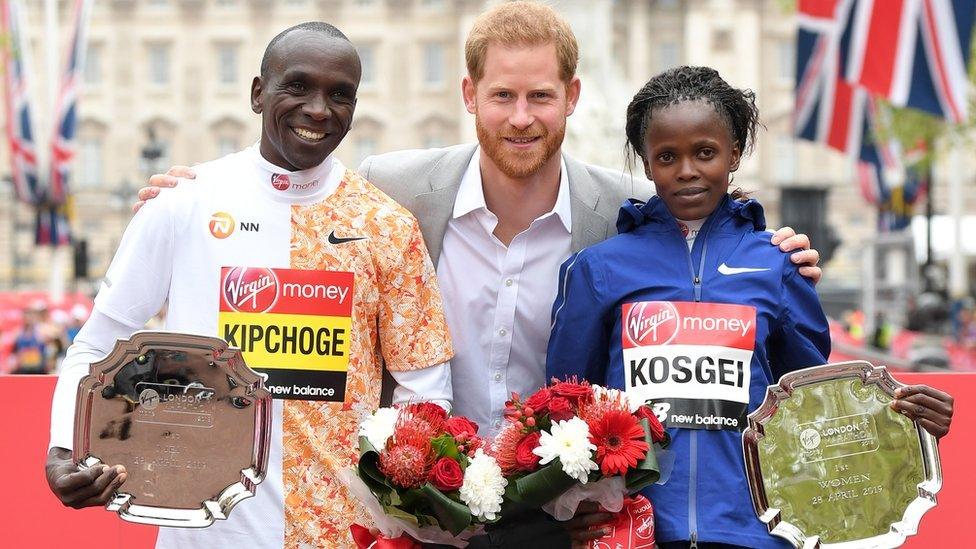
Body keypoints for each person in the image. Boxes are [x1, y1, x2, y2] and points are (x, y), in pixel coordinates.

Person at [134, 3, 822, 547]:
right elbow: (293, 213)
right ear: (469, 94)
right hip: (424, 513)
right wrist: (195, 199)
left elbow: (703, 249)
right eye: (502, 96)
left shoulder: (621, 211)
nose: (521, 118)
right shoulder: (393, 191)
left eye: (540, 96)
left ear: (572, 97)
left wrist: (774, 245)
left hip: (564, 521)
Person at [46, 22, 453, 549]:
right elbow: (98, 343)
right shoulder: (182, 203)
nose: (317, 109)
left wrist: (405, 510)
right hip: (206, 531)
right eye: (298, 86)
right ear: (259, 93)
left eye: (339, 95)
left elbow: (425, 391)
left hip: (346, 532)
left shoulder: (387, 226)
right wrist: (63, 449)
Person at [546, 66, 954, 549]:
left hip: (755, 532)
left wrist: (904, 420)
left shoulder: (778, 266)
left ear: (734, 153)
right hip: (633, 533)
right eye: (666, 156)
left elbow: (818, 411)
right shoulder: (597, 269)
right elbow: (563, 407)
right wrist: (567, 504)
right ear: (646, 159)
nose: (687, 171)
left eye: (705, 152)